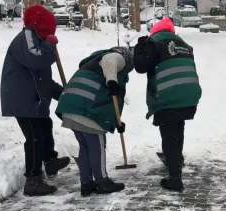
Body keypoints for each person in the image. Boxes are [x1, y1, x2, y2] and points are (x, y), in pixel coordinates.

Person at [0, 4, 69, 196]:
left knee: (45, 128)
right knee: (35, 138)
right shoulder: (27, 37)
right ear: (43, 25)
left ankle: (50, 160)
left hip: (34, 100)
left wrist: (63, 94)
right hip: (23, 101)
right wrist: (51, 45)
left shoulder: (37, 41)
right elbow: (37, 60)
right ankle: (33, 179)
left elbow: (43, 79)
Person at [133, 17, 202, 192]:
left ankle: (175, 178)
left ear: (155, 31)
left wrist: (140, 48)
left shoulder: (155, 42)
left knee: (169, 135)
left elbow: (140, 66)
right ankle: (176, 162)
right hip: (189, 95)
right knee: (178, 129)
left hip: (168, 96)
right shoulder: (183, 44)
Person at [55, 47, 133, 196]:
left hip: (71, 108)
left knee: (85, 147)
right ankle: (102, 182)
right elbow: (110, 60)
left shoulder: (91, 64)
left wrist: (117, 122)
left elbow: (111, 101)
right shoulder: (121, 57)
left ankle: (86, 184)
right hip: (87, 110)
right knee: (97, 148)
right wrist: (112, 81)